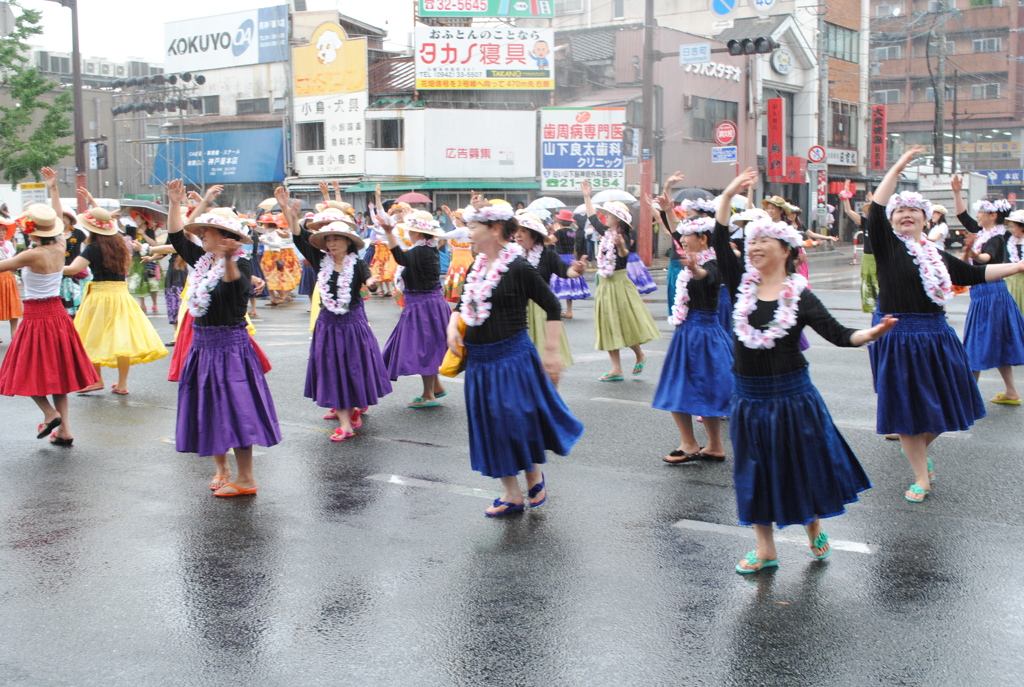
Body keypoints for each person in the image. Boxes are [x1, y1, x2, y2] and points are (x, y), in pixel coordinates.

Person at [714, 168, 897, 573]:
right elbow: (716, 234)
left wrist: (873, 332)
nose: (754, 247)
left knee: (798, 467)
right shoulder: (739, 283)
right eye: (751, 241)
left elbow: (837, 333)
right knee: (753, 470)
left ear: (785, 249)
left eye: (763, 240)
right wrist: (729, 192)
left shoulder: (800, 294)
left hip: (792, 396)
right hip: (748, 396)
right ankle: (766, 548)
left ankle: (813, 527)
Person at [872, 148, 1024, 502]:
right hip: (901, 336)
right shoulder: (886, 246)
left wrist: (1016, 267)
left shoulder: (935, 254)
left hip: (938, 335)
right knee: (908, 411)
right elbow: (876, 208)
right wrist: (898, 167)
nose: (906, 215)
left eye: (914, 211)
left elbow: (972, 273)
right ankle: (921, 476)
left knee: (953, 402)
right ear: (892, 221)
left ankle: (918, 452)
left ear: (926, 221)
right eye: (900, 212)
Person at [448, 196, 583, 516]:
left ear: (495, 229)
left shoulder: (518, 266)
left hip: (512, 358)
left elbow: (551, 306)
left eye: (473, 226)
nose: (467, 231)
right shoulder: (476, 266)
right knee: (490, 426)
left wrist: (551, 355)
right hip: (479, 361)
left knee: (516, 422)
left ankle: (533, 473)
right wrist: (453, 326)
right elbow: (461, 305)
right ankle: (511, 493)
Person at [166, 179, 281, 497]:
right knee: (209, 408)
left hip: (230, 348)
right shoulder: (202, 261)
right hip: (202, 346)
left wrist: (229, 259)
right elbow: (177, 236)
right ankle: (223, 469)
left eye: (208, 231)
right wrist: (175, 203)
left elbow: (235, 287)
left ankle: (246, 478)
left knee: (237, 409)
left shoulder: (241, 263)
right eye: (201, 231)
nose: (201, 235)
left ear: (228, 238)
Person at [280, 188, 391, 440]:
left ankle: (355, 407)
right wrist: (286, 209)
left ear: (348, 241)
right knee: (332, 369)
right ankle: (345, 423)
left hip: (353, 324)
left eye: (337, 238)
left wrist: (373, 280)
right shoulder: (320, 260)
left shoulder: (358, 263)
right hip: (328, 324)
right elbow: (298, 237)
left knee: (354, 368)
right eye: (328, 238)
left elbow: (368, 276)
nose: (332, 242)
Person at [0, 203, 98, 446]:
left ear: (32, 232)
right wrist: (53, 189)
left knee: (24, 369)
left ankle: (49, 413)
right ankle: (65, 430)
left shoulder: (30, 255)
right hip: (58, 314)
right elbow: (58, 217)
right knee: (58, 374)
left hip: (36, 316)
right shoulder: (60, 246)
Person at [651, 196, 732, 464]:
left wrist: (695, 269)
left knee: (678, 386)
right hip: (694, 332)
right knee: (701, 387)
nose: (682, 241)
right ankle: (714, 446)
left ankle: (690, 443)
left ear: (704, 239)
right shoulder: (697, 253)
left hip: (701, 333)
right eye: (682, 237)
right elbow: (676, 232)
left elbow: (705, 276)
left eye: (688, 237)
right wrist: (665, 210)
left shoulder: (714, 264)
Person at [63, 206, 168, 395]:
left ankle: (97, 379)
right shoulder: (119, 244)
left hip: (100, 295)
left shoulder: (93, 247)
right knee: (122, 339)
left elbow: (73, 269)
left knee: (91, 335)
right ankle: (122, 384)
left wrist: (47, 267)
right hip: (120, 295)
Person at [951, 180, 1024, 406]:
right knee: (997, 343)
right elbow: (963, 216)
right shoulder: (984, 232)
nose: (978, 215)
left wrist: (972, 251)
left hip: (990, 294)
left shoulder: (997, 238)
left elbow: (986, 259)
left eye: (982, 211)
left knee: (976, 341)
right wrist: (956, 192)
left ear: (993, 216)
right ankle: (1011, 391)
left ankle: (966, 397)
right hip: (988, 293)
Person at [581, 180, 660, 381]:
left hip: (619, 282)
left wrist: (621, 246)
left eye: (608, 215)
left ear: (617, 219)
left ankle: (639, 354)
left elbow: (624, 254)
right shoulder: (605, 232)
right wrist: (587, 197)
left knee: (624, 323)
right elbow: (591, 216)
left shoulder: (624, 236)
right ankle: (616, 369)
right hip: (605, 283)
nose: (604, 217)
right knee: (608, 324)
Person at [377, 208, 450, 407]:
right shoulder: (428, 249)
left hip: (423, 305)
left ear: (418, 233)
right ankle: (435, 387)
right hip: (429, 303)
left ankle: (428, 394)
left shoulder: (422, 251)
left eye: (410, 230)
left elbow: (401, 258)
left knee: (424, 348)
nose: (408, 233)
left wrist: (390, 233)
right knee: (429, 346)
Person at [514, 212, 585, 371]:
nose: (518, 234)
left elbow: (566, 271)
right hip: (516, 308)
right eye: (516, 230)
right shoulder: (511, 255)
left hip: (541, 307)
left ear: (535, 234)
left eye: (523, 231)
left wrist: (578, 270)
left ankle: (552, 392)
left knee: (543, 360)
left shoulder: (547, 255)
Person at [840, 181, 878, 314]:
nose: (870, 214)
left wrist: (875, 201)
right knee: (868, 290)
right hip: (867, 260)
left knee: (881, 290)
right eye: (869, 211)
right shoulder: (865, 223)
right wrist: (845, 195)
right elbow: (848, 211)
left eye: (873, 210)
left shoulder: (885, 225)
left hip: (880, 260)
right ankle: (875, 316)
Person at [549, 208, 590, 319]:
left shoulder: (559, 232)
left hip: (560, 258)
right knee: (569, 286)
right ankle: (569, 311)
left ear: (561, 221)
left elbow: (549, 241)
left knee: (553, 285)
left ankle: (553, 309)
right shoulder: (572, 232)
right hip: (570, 257)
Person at [260, 215, 301, 305]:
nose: (263, 225)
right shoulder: (268, 232)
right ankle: (274, 298)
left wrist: (265, 242)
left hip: (276, 256)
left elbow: (278, 245)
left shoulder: (278, 233)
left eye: (265, 223)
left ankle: (284, 295)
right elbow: (260, 230)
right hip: (267, 256)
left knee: (277, 277)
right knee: (267, 278)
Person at [441, 207, 474, 303]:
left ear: (461, 220)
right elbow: (455, 224)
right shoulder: (465, 229)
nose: (455, 220)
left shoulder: (461, 231)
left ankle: (462, 303)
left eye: (456, 218)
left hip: (460, 259)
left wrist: (431, 232)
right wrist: (449, 213)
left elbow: (445, 236)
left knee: (459, 280)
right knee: (464, 280)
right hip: (464, 257)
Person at [0, 215, 22, 342]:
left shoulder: (8, 244)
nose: (2, 232)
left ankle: (14, 332)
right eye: (0, 229)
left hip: (8, 277)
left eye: (3, 229)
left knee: (13, 304)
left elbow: (14, 260)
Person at [1004, 209, 1024, 314]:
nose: (1010, 229)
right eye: (1009, 227)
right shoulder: (1010, 240)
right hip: (1011, 280)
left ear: (1021, 227)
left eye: (1012, 226)